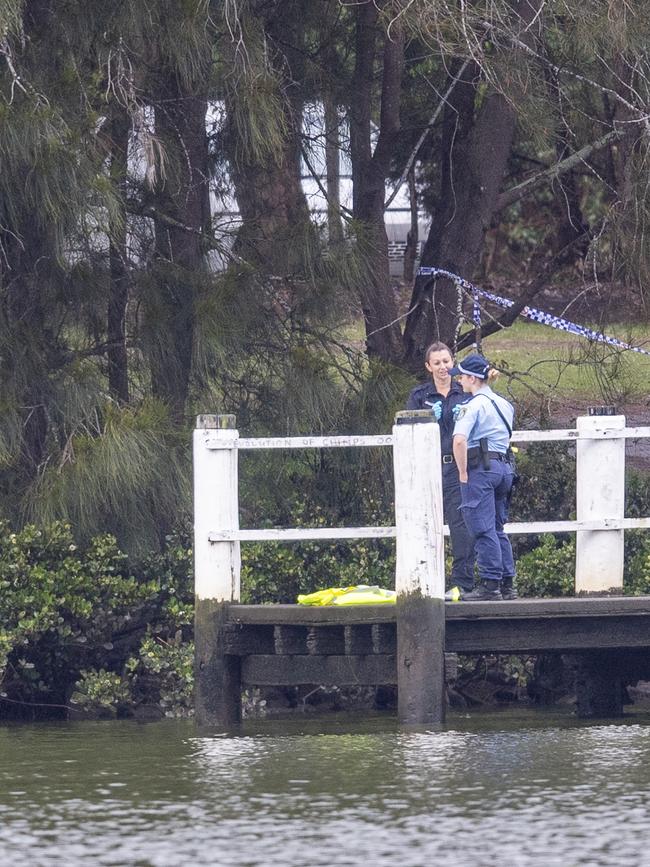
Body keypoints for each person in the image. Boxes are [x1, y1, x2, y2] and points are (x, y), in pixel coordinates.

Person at [406, 342, 476, 597]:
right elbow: (405, 427)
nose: (443, 367)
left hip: (458, 467)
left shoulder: (465, 391)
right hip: (428, 469)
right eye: (437, 363)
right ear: (428, 366)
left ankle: (462, 583)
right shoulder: (418, 396)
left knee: (461, 527)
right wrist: (425, 417)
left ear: (452, 361)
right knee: (427, 524)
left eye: (446, 361)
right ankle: (427, 582)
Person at [449, 352, 517, 601]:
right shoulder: (504, 404)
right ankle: (508, 584)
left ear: (472, 378)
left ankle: (490, 585)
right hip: (504, 468)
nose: (459, 382)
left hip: (481, 470)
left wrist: (463, 472)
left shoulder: (473, 405)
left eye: (462, 377)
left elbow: (459, 441)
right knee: (498, 528)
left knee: (481, 528)